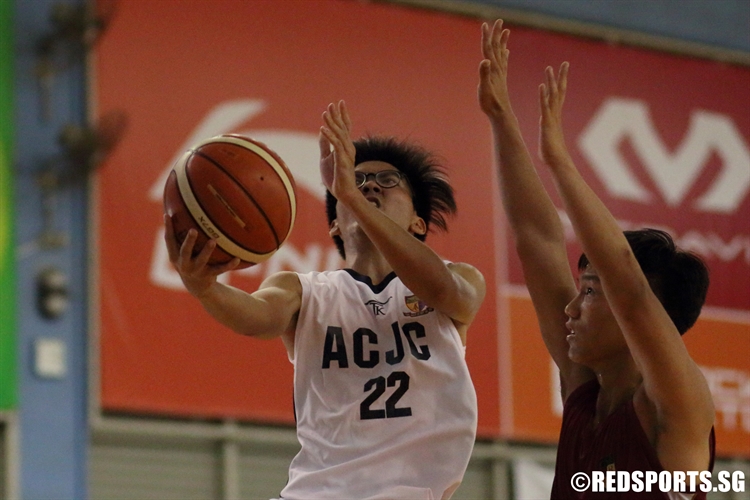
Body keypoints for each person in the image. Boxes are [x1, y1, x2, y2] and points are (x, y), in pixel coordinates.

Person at [164, 100, 486, 500]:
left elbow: (444, 292)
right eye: (359, 180)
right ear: (335, 222)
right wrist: (205, 288)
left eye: (388, 181)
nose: (369, 186)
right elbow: (259, 317)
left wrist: (349, 194)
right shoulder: (306, 291)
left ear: (417, 223)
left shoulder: (457, 278)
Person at [477, 19, 715, 499]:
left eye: (588, 293)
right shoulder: (585, 388)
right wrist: (502, 119)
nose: (570, 307)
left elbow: (626, 284)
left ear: (646, 319)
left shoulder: (675, 402)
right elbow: (538, 239)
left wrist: (560, 161)